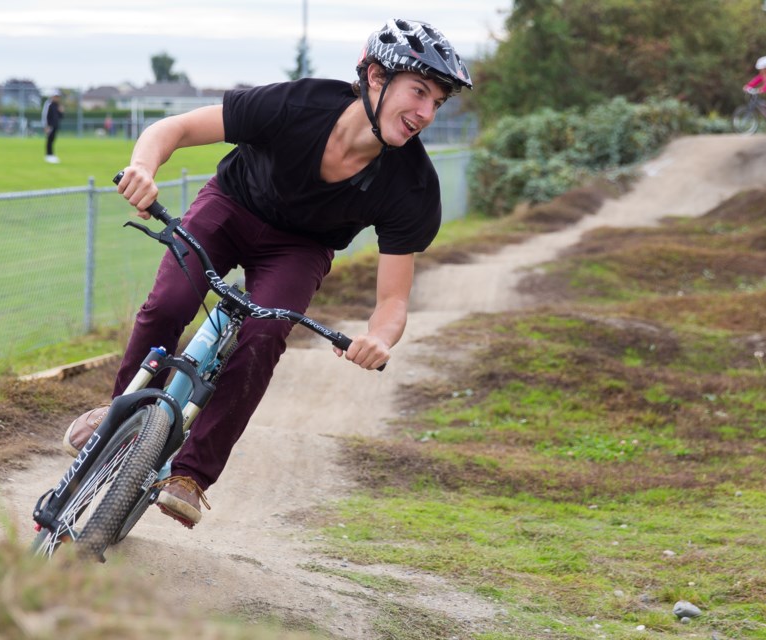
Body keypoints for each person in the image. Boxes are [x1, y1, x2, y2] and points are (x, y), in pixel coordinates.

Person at [61, 18, 472, 529]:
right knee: (169, 303)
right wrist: (144, 167)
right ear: (373, 76)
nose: (426, 113)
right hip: (231, 206)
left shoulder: (412, 186)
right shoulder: (296, 105)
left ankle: (191, 475)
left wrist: (379, 339)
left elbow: (393, 302)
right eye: (419, 92)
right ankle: (120, 414)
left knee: (264, 337)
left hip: (300, 248)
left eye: (437, 101)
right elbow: (174, 129)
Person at [41, 90, 63, 163]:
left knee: (53, 140)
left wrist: (61, 111)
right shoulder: (48, 104)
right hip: (49, 126)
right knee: (49, 140)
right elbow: (45, 115)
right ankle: (48, 155)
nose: (57, 98)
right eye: (55, 96)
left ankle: (52, 155)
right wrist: (45, 126)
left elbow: (60, 117)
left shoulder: (57, 105)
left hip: (55, 125)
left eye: (58, 97)